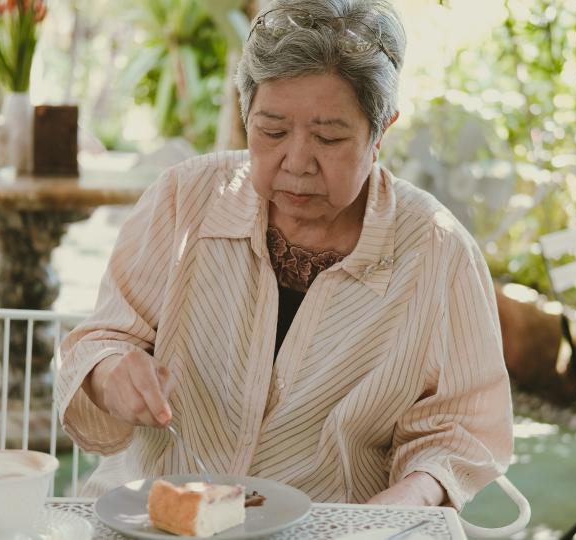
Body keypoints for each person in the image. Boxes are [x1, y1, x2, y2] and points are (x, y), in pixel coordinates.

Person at [57, 0, 513, 509]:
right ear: (246, 115)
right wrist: (111, 373)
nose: (297, 162)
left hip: (328, 525)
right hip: (155, 514)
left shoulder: (437, 251)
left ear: (381, 132)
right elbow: (99, 340)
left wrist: (412, 496)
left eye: (329, 137)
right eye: (271, 131)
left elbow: (463, 426)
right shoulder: (184, 197)